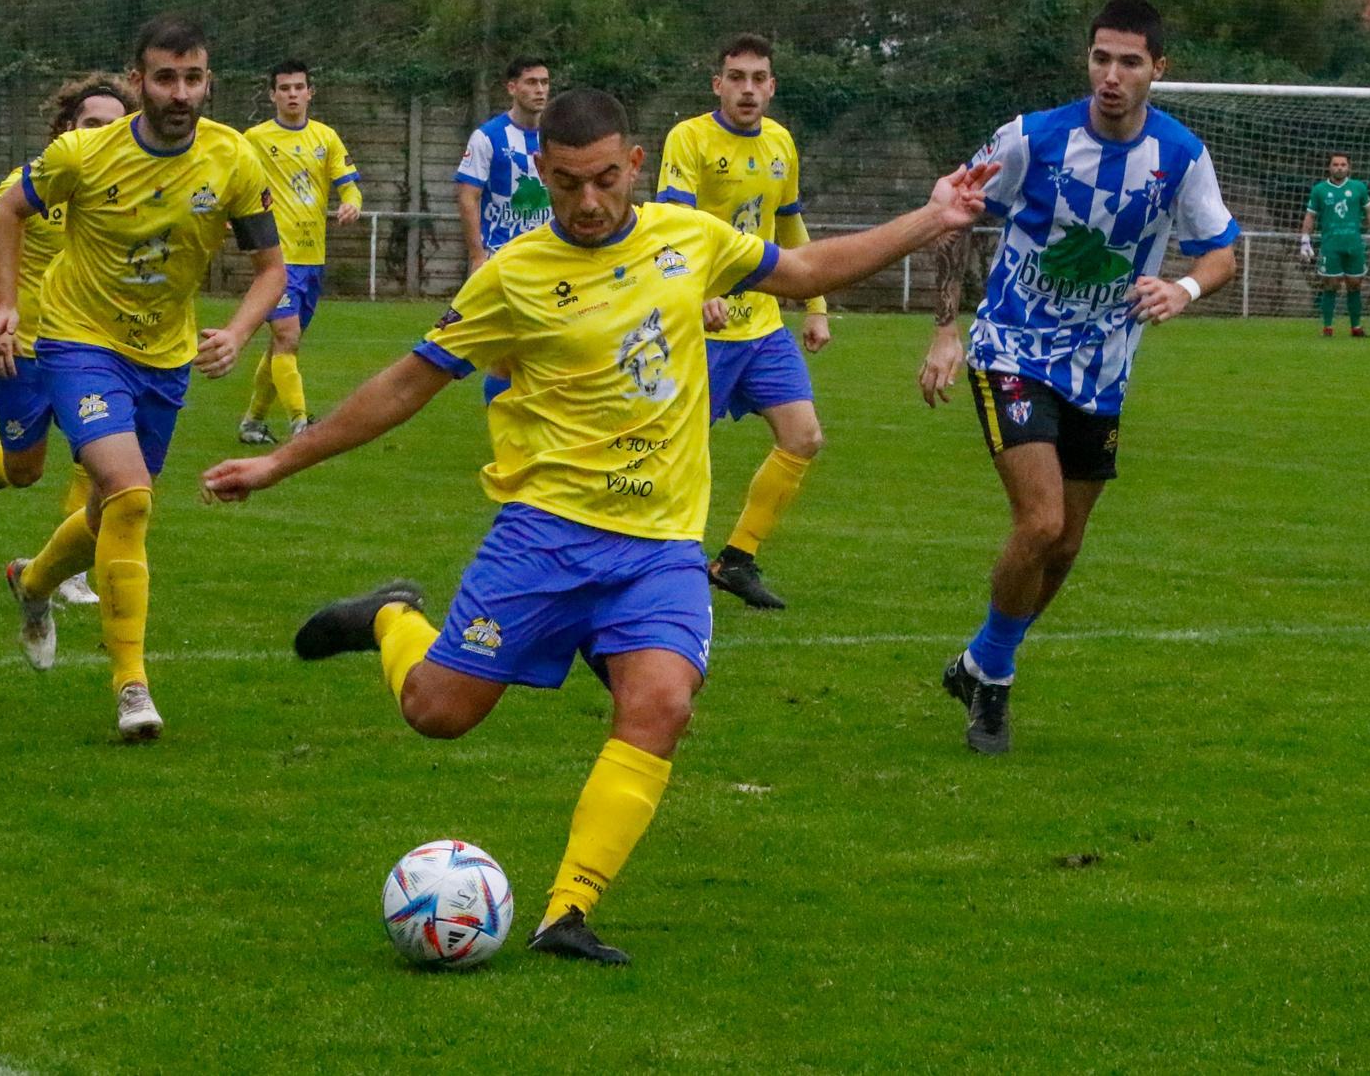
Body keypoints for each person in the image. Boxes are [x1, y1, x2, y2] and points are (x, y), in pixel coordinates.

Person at [200, 88, 994, 965]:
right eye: (568, 182)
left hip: (658, 549)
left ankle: (565, 910)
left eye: (606, 179)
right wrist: (281, 460)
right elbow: (407, 383)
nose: (587, 201)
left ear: (636, 167)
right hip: (543, 537)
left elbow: (806, 272)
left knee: (661, 704)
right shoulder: (512, 275)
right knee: (438, 712)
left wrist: (933, 217)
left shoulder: (687, 240)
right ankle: (391, 615)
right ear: (541, 173)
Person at [918, 0, 1240, 755]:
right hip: (1013, 351)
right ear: (1087, 61)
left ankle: (982, 659)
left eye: (1130, 62)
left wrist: (1183, 288)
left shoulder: (1181, 156)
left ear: (1159, 69)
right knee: (1042, 522)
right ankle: (993, 681)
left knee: (1064, 548)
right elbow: (954, 211)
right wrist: (943, 328)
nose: (1112, 75)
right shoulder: (1032, 138)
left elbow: (1222, 250)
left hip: (1103, 370)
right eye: (1101, 58)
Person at [0, 16, 287, 737]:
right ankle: (132, 687)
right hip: (78, 341)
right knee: (131, 494)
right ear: (137, 80)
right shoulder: (84, 153)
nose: (181, 93)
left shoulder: (233, 160)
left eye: (194, 77)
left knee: (109, 514)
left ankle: (32, 583)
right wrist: (6, 308)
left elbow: (272, 267)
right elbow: (10, 212)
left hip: (165, 355)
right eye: (165, 78)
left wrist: (239, 330)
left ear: (208, 80)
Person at [655, 33, 830, 610]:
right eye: (737, 77)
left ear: (772, 86)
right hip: (698, 326)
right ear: (718, 84)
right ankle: (654, 563)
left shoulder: (781, 143)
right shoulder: (690, 139)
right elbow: (671, 227)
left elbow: (789, 227)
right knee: (671, 453)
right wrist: (696, 291)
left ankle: (736, 560)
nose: (748, 89)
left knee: (803, 437)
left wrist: (817, 303)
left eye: (758, 78)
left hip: (761, 324)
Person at [0, 74, 137, 608]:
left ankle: (71, 570)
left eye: (116, 125)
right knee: (23, 470)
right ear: (66, 130)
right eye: (91, 124)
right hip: (25, 348)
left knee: (98, 460)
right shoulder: (30, 182)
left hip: (94, 349)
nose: (103, 133)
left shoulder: (136, 193)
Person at [238, 60, 363, 444]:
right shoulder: (254, 139)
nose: (292, 94)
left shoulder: (326, 138)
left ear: (310, 92)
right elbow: (232, 177)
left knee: (283, 345)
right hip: (274, 257)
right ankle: (301, 424)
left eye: (298, 87)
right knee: (287, 337)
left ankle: (253, 423)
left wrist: (351, 202)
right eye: (284, 88)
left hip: (313, 258)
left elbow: (349, 185)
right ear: (272, 94)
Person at [455, 55, 552, 403]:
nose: (539, 89)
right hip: (504, 259)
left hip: (550, 257)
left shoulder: (556, 135)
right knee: (505, 356)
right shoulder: (488, 137)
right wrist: (477, 254)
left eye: (544, 82)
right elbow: (468, 196)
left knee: (546, 353)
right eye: (531, 82)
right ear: (512, 88)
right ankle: (506, 434)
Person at [1299, 153, 1370, 337]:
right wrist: (1305, 239)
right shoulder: (1320, 190)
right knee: (1330, 284)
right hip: (1331, 245)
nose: (1339, 167)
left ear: (1349, 167)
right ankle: (1328, 328)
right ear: (1329, 167)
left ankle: (1356, 327)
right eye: (1336, 164)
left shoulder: (1358, 188)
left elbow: (1369, 211)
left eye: (1343, 164)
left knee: (1355, 284)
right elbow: (1311, 215)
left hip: (1354, 245)